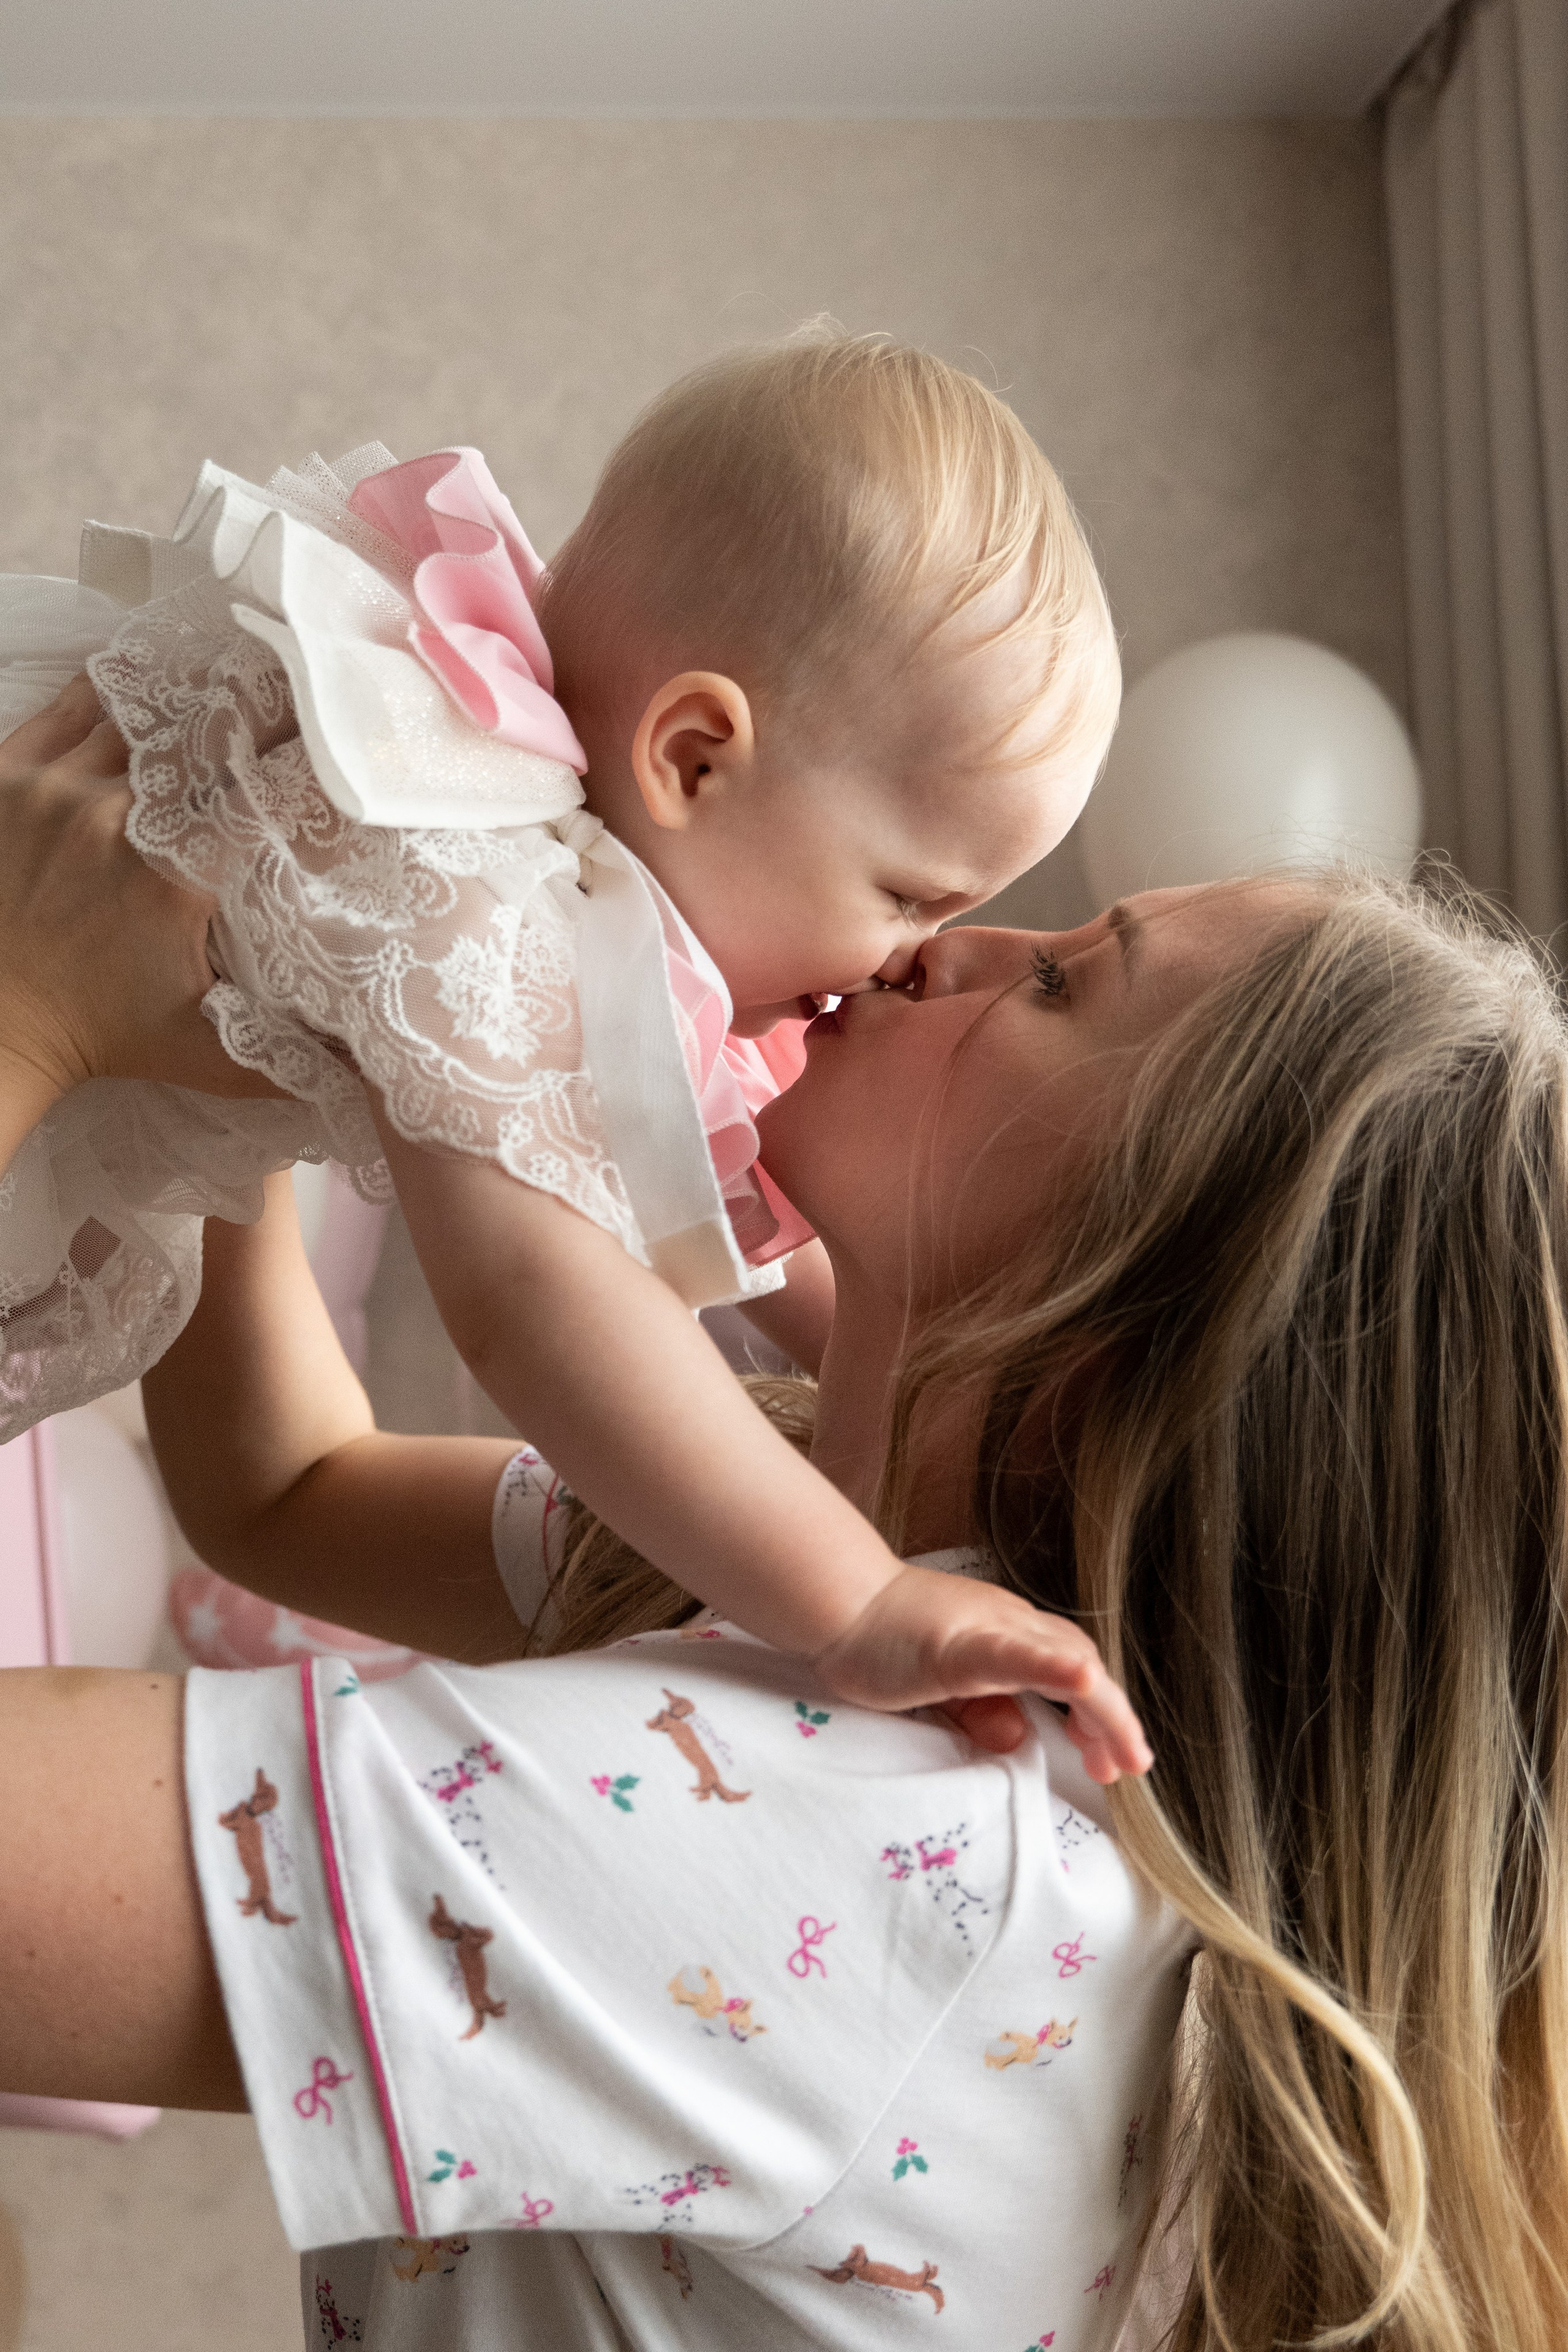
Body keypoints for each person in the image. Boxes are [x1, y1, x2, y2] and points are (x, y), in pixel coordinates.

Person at [5, 715, 1567, 2352]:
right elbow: (290, 1488)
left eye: (1057, 986)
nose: (959, 943)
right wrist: (264, 1007)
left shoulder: (885, 1840)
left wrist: (30, 1002)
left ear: (1125, 1325)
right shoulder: (836, 1572)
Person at [0, 330, 1126, 1736]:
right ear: (691, 759)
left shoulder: (578, 882)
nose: (924, 955)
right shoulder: (492, 887)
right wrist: (855, 1601)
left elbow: (753, 1230)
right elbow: (539, 1294)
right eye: (906, 898)